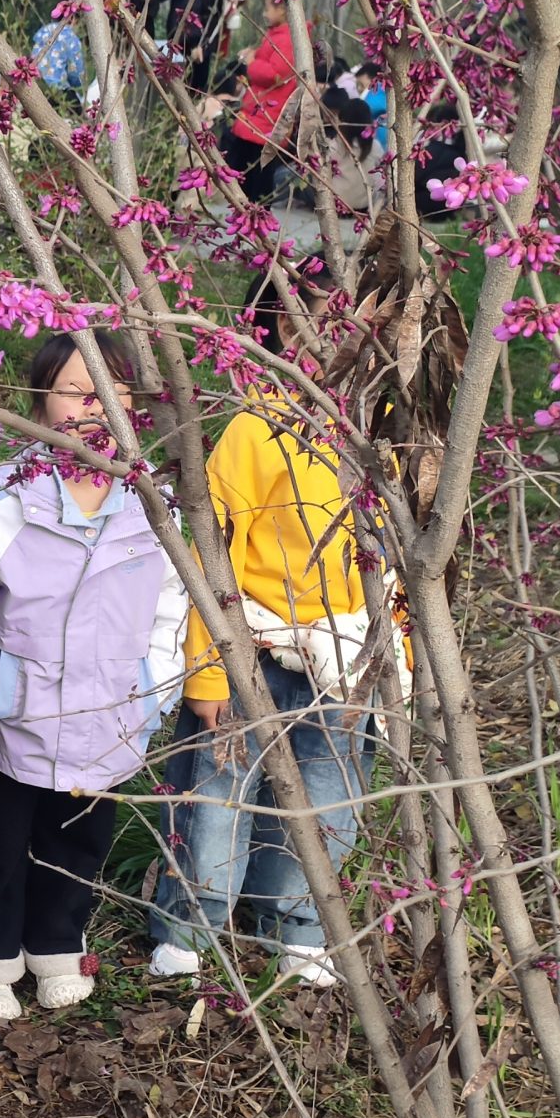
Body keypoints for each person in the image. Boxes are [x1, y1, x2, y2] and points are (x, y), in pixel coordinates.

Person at [153, 277, 398, 990]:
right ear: (279, 335)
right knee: (217, 796)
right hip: (253, 647)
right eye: (316, 322)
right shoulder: (255, 427)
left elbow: (406, 565)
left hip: (347, 656)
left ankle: (294, 920)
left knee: (329, 796)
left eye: (356, 320)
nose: (337, 337)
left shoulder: (384, 427)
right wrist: (205, 670)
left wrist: (394, 661)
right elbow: (208, 551)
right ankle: (189, 927)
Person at [0, 331, 188, 1018]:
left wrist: (151, 691)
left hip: (108, 715)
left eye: (108, 390)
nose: (90, 407)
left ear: (134, 402)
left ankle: (57, 940)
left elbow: (173, 611)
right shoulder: (2, 504)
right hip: (12, 721)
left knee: (78, 837)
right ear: (39, 403)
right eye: (72, 391)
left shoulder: (152, 506)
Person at [217, 12, 302, 202]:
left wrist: (252, 63)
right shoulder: (276, 35)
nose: (265, 11)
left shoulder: (287, 39)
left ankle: (255, 219)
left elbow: (275, 74)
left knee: (257, 180)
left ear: (281, 7)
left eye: (269, 6)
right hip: (257, 115)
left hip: (266, 120)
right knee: (245, 176)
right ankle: (246, 216)